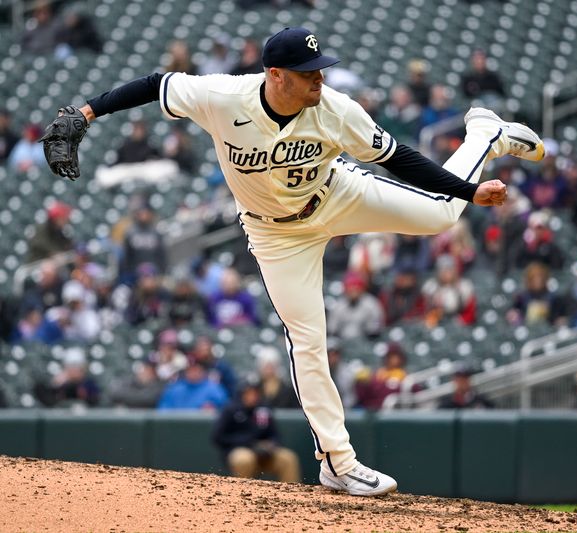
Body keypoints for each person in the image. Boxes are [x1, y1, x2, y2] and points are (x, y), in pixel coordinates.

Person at [47, 26, 543, 497]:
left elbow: (399, 159)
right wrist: (84, 114)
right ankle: (337, 463)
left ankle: (482, 135)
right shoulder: (224, 96)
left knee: (440, 215)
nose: (320, 79)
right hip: (275, 234)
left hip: (335, 195)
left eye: (321, 68)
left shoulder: (335, 108)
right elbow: (157, 84)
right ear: (275, 75)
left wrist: (469, 191)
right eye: (309, 72)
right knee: (308, 341)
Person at [212, 380, 301, 482]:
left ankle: (291, 495)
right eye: (248, 393)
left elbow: (275, 434)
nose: (252, 396)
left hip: (264, 452)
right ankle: (242, 495)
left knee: (288, 458)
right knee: (244, 459)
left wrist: (271, 444)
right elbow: (218, 437)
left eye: (255, 393)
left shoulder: (263, 410)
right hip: (239, 450)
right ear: (242, 394)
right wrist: (249, 443)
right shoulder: (231, 409)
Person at [422, 254, 477, 327]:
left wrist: (457, 324)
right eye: (443, 270)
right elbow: (423, 309)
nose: (446, 273)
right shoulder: (430, 287)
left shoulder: (464, 287)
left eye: (449, 269)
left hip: (460, 325)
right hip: (435, 324)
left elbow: (470, 312)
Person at [327, 271, 385, 340]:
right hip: (342, 342)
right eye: (351, 288)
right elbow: (332, 329)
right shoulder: (339, 305)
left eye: (356, 288)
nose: (354, 291)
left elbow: (375, 329)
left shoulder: (371, 304)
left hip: (365, 343)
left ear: (362, 289)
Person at [34, 348, 101, 407]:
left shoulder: (89, 384)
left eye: (77, 366)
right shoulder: (60, 384)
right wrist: (55, 385)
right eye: (71, 366)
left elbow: (94, 402)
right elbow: (50, 402)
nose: (74, 369)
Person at [507, 262, 567, 327]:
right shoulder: (521, 298)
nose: (538, 280)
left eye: (540, 277)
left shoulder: (555, 299)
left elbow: (559, 318)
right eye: (534, 277)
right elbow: (514, 315)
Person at [157, 358, 229, 410]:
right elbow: (163, 409)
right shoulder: (174, 389)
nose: (193, 373)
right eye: (190, 370)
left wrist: (214, 410)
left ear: (203, 372)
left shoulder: (214, 389)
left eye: (196, 370)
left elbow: (224, 410)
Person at [326, 338, 357, 409]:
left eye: (335, 354)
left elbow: (349, 397)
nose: (332, 358)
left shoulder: (347, 372)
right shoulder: (319, 371)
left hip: (346, 409)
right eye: (329, 354)